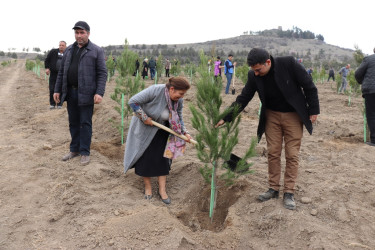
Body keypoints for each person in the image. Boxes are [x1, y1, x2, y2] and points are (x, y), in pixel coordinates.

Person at [215, 48, 320, 210]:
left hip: (293, 115)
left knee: (292, 154)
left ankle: (289, 192)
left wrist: (313, 110)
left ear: (268, 62)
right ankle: (273, 188)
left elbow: (309, 86)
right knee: (273, 152)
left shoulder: (288, 64)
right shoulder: (253, 76)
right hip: (271, 116)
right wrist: (226, 116)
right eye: (253, 70)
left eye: (258, 70)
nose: (255, 73)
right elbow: (243, 98)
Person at [124, 77, 192, 204]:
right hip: (146, 129)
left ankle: (162, 190)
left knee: (163, 160)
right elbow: (133, 101)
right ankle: (148, 188)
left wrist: (185, 132)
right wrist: (144, 117)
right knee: (146, 158)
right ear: (172, 89)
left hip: (164, 130)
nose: (182, 97)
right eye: (180, 93)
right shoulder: (155, 90)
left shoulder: (179, 101)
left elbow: (179, 116)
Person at [53, 21, 107, 166]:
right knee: (73, 122)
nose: (79, 35)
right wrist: (57, 90)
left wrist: (99, 92)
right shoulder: (69, 50)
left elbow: (102, 73)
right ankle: (74, 149)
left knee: (85, 123)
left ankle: (85, 152)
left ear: (88, 34)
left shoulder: (96, 51)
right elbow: (62, 73)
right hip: (70, 92)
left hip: (87, 94)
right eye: (77, 33)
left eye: (82, 33)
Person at [355, 49, 375, 146]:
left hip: (370, 91)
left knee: (371, 114)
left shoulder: (368, 59)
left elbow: (358, 74)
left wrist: (361, 82)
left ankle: (374, 140)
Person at [45, 41, 67, 109]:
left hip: (63, 75)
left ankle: (60, 104)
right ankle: (52, 104)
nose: (61, 46)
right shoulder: (53, 52)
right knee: (52, 89)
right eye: (60, 45)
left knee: (61, 89)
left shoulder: (67, 53)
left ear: (65, 46)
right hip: (53, 74)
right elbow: (47, 60)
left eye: (63, 45)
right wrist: (47, 68)